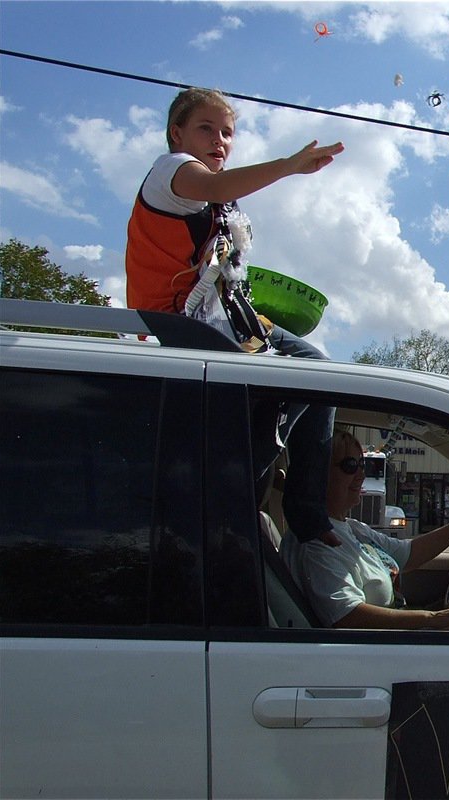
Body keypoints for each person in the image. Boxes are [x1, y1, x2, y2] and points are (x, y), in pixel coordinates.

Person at [126, 87, 345, 547]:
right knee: (270, 404)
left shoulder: (225, 206)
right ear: (177, 133)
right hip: (178, 326)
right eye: (206, 129)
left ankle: (300, 512)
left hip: (227, 320)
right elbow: (213, 185)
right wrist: (287, 166)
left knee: (319, 371)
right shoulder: (171, 173)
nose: (219, 140)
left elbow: (226, 270)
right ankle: (231, 503)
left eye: (227, 133)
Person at [284, 429, 449, 630]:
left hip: (393, 640)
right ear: (318, 474)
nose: (361, 474)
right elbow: (346, 616)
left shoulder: (353, 528)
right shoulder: (317, 541)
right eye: (350, 465)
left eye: (362, 464)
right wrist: (431, 618)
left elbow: (410, 553)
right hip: (377, 653)